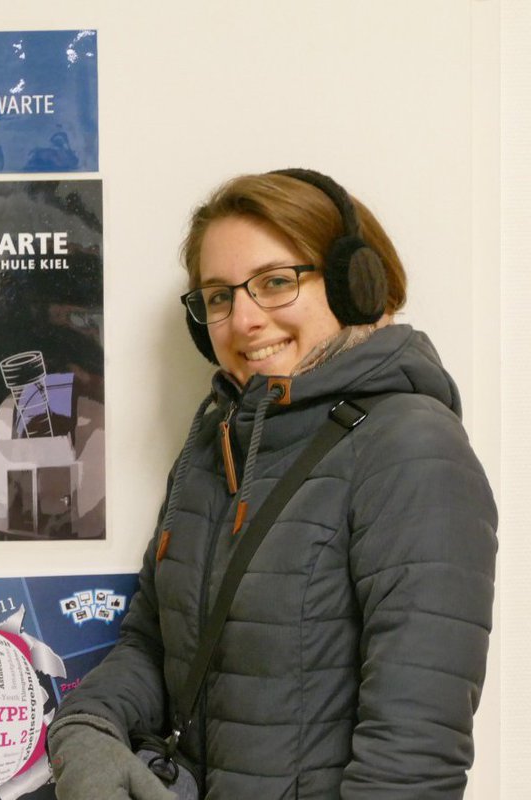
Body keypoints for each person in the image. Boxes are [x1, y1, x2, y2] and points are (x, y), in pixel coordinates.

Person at [47, 168, 498, 799]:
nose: (244, 321)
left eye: (276, 283)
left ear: (356, 284)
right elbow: (155, 645)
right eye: (219, 297)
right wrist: (89, 726)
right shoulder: (214, 445)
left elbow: (413, 758)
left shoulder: (410, 446)